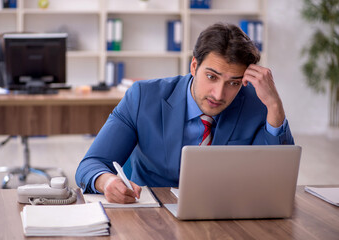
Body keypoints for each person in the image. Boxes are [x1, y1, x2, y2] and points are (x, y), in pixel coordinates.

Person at [75, 22, 294, 204]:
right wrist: (106, 182)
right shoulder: (143, 97)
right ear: (194, 66)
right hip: (152, 212)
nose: (219, 94)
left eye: (233, 83)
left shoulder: (256, 104)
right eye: (211, 77)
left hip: (223, 215)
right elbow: (91, 164)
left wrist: (275, 106)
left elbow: (277, 180)